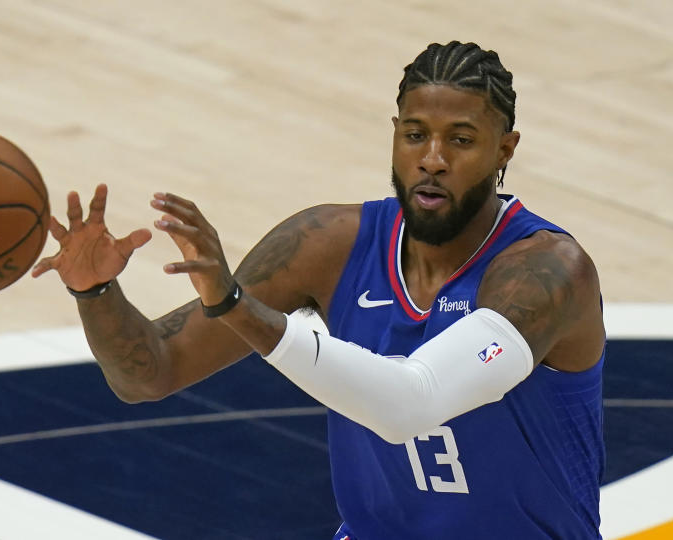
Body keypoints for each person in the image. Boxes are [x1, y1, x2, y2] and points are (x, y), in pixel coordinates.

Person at [33, 41, 606, 539]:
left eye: (460, 140)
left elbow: (412, 402)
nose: (432, 160)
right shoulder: (328, 244)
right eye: (415, 135)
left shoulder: (548, 273)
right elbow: (148, 373)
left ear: (504, 150)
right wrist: (96, 292)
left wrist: (235, 305)